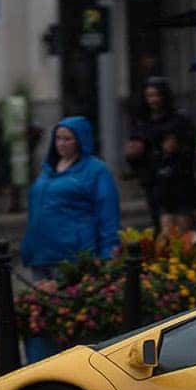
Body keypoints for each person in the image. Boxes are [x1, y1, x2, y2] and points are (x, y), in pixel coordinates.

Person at [20, 116, 121, 280]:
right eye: (58, 138)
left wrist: (108, 252)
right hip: (40, 254)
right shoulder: (48, 169)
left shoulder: (96, 170)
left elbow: (107, 214)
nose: (61, 143)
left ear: (80, 140)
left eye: (67, 139)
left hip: (72, 255)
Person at [125, 77, 196, 231]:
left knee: (183, 230)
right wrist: (133, 155)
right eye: (149, 96)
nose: (153, 100)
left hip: (180, 184)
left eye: (156, 95)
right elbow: (135, 155)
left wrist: (176, 148)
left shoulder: (179, 120)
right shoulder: (142, 123)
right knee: (164, 229)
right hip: (156, 185)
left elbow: (191, 151)